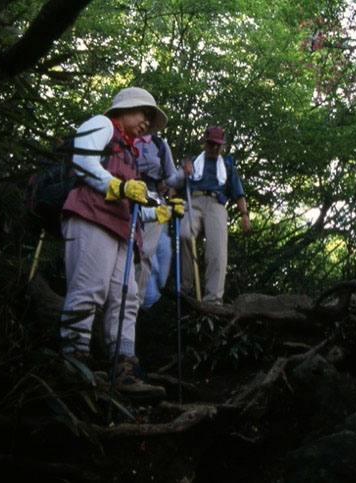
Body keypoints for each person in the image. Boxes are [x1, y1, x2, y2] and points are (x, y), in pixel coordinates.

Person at [59, 87, 178, 399]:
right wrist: (116, 185)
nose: (147, 124)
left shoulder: (130, 152)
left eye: (150, 120)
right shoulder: (101, 125)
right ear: (125, 108)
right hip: (91, 217)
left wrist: (160, 212)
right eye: (144, 115)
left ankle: (123, 367)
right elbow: (83, 160)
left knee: (126, 299)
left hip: (122, 230)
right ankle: (73, 363)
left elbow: (132, 200)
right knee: (89, 288)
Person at [180, 126, 251, 305]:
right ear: (205, 143)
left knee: (217, 250)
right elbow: (176, 181)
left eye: (219, 145)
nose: (215, 148)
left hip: (216, 204)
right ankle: (186, 286)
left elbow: (238, 193)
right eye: (212, 144)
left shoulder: (227, 166)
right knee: (184, 234)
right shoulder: (194, 162)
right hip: (193, 201)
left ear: (223, 146)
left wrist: (244, 215)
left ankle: (213, 298)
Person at [133, 133, 184, 308]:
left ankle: (145, 298)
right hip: (130, 198)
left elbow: (170, 176)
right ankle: (138, 300)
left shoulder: (159, 144)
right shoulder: (125, 138)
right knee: (143, 253)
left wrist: (183, 175)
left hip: (155, 201)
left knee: (161, 252)